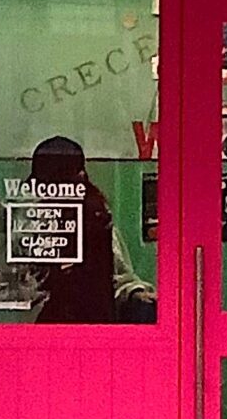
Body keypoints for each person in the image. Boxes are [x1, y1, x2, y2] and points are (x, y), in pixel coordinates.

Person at [26, 136, 157, 324]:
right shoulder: (28, 218)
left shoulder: (96, 219)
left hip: (90, 320)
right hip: (48, 322)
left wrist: (136, 293)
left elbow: (119, 275)